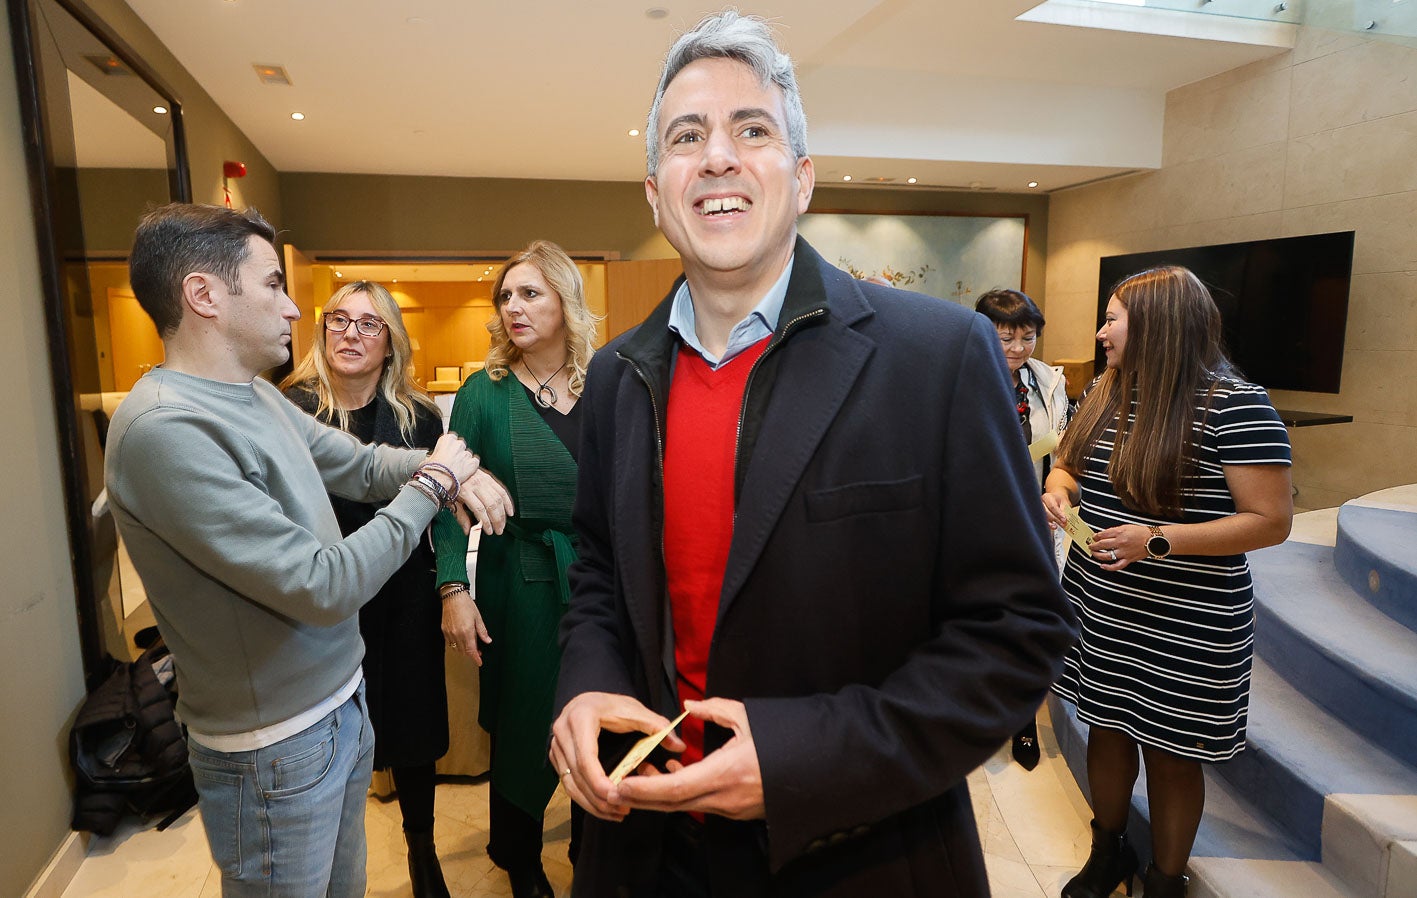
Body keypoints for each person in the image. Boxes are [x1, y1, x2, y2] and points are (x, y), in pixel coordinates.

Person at [548, 12, 1077, 897]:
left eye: (749, 130)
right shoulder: (615, 375)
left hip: (859, 857)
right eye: (687, 136)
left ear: (800, 180)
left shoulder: (939, 357)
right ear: (654, 190)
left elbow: (1016, 635)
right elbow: (599, 572)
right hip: (645, 853)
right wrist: (586, 684)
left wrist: (799, 760)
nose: (716, 156)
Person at [104, 203, 513, 897]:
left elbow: (357, 465)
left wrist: (451, 469)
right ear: (203, 295)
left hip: (334, 707)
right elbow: (324, 585)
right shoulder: (166, 430)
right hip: (273, 749)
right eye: (271, 284)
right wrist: (439, 479)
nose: (295, 309)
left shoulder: (253, 397)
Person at [1042, 265, 1293, 898]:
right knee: (1105, 725)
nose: (1101, 333)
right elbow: (1067, 465)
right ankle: (1109, 850)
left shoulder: (1237, 403)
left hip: (1188, 618)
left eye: (1112, 318)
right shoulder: (1107, 389)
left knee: (1172, 751)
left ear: (1156, 325)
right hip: (1100, 600)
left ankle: (1166, 880)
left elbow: (1271, 521)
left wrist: (1156, 540)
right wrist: (1057, 492)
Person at [432, 240, 596, 898]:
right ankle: (519, 855)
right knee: (527, 719)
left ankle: (595, 842)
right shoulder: (483, 392)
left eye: (530, 293)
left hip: (600, 581)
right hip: (519, 579)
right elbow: (445, 502)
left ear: (565, 300)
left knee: (601, 712)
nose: (513, 307)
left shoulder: (606, 381)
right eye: (505, 296)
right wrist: (453, 590)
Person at [280, 280, 453, 898]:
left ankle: (422, 852)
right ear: (322, 332)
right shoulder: (289, 409)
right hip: (324, 598)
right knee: (328, 737)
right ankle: (334, 859)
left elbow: (436, 510)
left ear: (391, 344)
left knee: (413, 730)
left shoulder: (420, 417)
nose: (350, 334)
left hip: (403, 594)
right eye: (339, 321)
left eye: (368, 325)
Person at [974, 288, 1071, 771]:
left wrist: (1056, 490)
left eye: (1027, 337)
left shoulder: (1049, 384)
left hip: (1035, 523)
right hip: (979, 522)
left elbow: (1061, 451)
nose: (1016, 348)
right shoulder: (961, 378)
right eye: (1005, 336)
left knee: (1026, 623)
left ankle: (1022, 718)